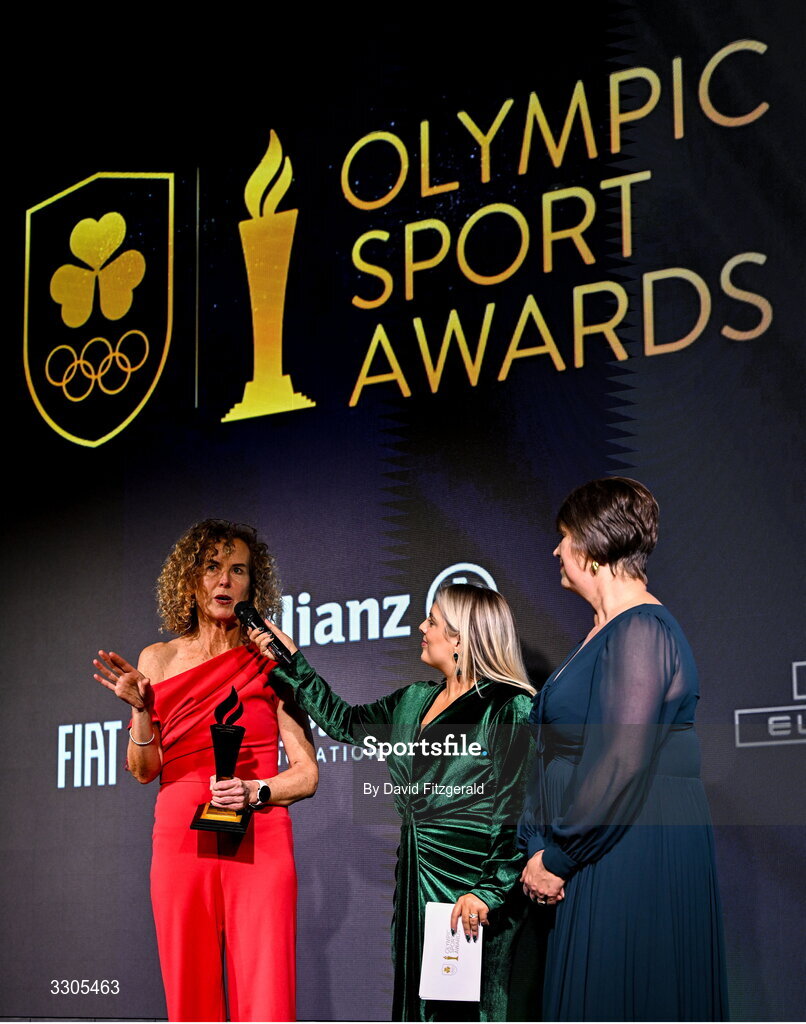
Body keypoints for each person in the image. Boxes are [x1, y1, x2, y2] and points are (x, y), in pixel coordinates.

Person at [252, 583, 535, 1022]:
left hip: (472, 892)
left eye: (432, 621)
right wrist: (292, 661)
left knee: (465, 1010)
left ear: (460, 638)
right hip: (416, 884)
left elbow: (515, 808)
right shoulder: (413, 700)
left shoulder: (508, 708)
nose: (421, 627)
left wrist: (489, 891)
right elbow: (345, 722)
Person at [518, 477, 729, 1021]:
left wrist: (558, 858)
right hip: (592, 848)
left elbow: (622, 761)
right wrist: (538, 841)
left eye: (564, 537)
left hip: (622, 850)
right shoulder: (603, 630)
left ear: (591, 546)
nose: (556, 550)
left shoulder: (640, 630)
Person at [93, 519, 317, 1022]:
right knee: (189, 998)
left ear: (252, 585)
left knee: (268, 999)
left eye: (238, 570)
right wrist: (141, 710)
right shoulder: (158, 659)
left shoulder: (272, 658)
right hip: (181, 839)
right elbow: (143, 770)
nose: (224, 580)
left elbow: (306, 773)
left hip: (259, 835)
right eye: (212, 567)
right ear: (190, 579)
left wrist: (255, 790)